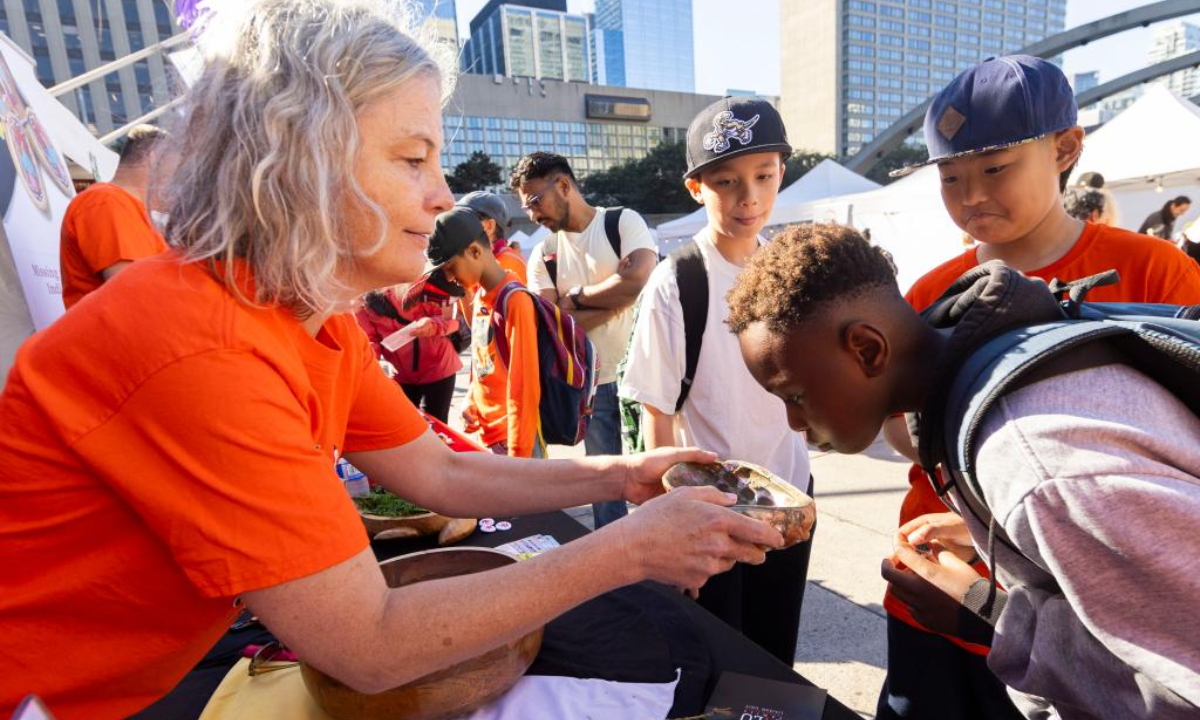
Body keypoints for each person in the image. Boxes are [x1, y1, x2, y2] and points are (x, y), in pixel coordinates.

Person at [0, 3, 785, 718]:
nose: (445, 197)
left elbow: (435, 473)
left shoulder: (306, 317)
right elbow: (367, 645)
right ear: (297, 162)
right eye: (414, 161)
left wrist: (620, 479)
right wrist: (627, 547)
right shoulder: (199, 346)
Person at [727, 223, 1200, 720]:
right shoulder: (987, 372)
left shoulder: (1032, 465)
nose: (794, 423)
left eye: (795, 396)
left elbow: (1182, 684)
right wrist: (998, 534)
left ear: (867, 349)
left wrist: (986, 614)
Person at [878, 55, 1200, 720]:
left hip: (1087, 612)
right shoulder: (928, 291)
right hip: (935, 582)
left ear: (1065, 148)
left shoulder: (1156, 272)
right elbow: (895, 423)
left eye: (995, 169)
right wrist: (968, 496)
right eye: (949, 176)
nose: (970, 194)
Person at [618, 97, 813, 664]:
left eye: (763, 175)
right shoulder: (677, 280)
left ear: (782, 171)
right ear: (696, 188)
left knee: (774, 664)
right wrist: (669, 525)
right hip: (712, 514)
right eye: (725, 181)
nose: (747, 196)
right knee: (714, 662)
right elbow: (655, 412)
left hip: (789, 503)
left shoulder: (788, 267)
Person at [511, 152, 658, 527]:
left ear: (563, 186)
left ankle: (665, 563)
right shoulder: (543, 255)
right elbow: (551, 326)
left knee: (660, 482)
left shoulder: (621, 222)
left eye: (533, 201)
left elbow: (638, 279)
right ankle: (618, 568)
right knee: (605, 489)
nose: (531, 215)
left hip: (647, 382)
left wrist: (573, 299)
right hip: (590, 387)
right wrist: (617, 302)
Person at [429, 207, 543, 457]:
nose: (448, 278)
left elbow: (524, 386)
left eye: (450, 267)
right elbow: (483, 361)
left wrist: (519, 455)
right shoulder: (480, 294)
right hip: (491, 434)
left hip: (514, 441)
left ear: (474, 251)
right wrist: (472, 400)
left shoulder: (515, 301)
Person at [59, 124, 169, 309]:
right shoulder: (106, 200)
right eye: (180, 164)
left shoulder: (123, 206)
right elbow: (134, 296)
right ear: (155, 158)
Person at [354, 283, 461, 423]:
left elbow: (453, 322)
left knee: (438, 424)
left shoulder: (420, 283)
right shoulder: (362, 299)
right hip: (400, 374)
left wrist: (433, 325)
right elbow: (370, 339)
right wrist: (368, 362)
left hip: (439, 367)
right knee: (405, 423)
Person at [457, 190, 528, 285]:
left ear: (489, 226)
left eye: (467, 220)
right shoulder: (481, 259)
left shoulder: (507, 262)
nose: (459, 226)